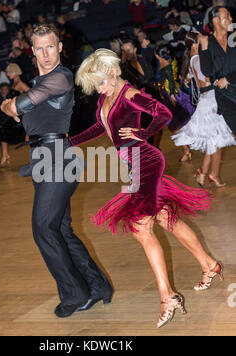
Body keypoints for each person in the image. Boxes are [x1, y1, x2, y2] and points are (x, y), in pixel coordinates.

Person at [69, 48, 223, 328]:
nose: (99, 88)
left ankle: (168, 296)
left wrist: (141, 132)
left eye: (101, 81)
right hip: (133, 165)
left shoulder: (129, 94)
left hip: (146, 161)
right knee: (167, 219)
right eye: (96, 84)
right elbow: (100, 127)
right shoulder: (106, 97)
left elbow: (163, 113)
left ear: (113, 72)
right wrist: (70, 140)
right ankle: (209, 264)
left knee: (142, 228)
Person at [0, 24, 113, 318]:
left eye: (51, 46)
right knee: (61, 229)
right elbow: (26, 113)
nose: (46, 53)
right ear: (33, 51)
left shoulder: (60, 78)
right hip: (43, 159)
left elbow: (16, 108)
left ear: (60, 47)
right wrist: (14, 107)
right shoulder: (42, 82)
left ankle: (75, 293)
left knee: (43, 229)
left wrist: (8, 105)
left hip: (57, 160)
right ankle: (98, 286)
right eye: (40, 48)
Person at [172, 32, 236, 187]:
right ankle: (214, 175)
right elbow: (207, 78)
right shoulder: (198, 58)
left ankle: (203, 173)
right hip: (210, 101)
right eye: (201, 40)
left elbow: (192, 76)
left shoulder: (194, 59)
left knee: (213, 142)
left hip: (208, 99)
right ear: (195, 44)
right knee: (217, 141)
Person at [199, 6, 236, 136]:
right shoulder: (207, 43)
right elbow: (207, 72)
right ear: (216, 21)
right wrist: (203, 48)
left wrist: (228, 79)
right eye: (227, 16)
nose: (231, 19)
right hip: (226, 98)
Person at [0, 82, 25, 167]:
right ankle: (4, 155)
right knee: (3, 135)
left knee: (4, 133)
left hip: (12, 120)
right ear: (0, 90)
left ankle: (4, 155)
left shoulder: (12, 97)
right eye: (3, 89)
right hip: (2, 121)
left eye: (6, 89)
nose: (5, 91)